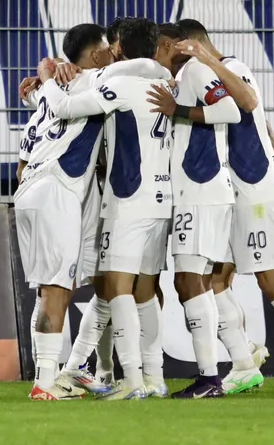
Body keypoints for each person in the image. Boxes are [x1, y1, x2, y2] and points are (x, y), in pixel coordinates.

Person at [153, 18, 274, 397]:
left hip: (255, 190)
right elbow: (260, 119)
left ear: (189, 45)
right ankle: (243, 365)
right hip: (235, 190)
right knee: (217, 279)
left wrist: (204, 65)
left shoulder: (229, 67)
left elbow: (247, 103)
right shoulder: (210, 76)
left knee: (271, 278)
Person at [14, 22, 164, 401]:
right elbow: (140, 68)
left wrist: (46, 77)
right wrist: (49, 74)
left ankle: (68, 370)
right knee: (58, 288)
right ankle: (46, 384)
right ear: (98, 54)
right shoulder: (95, 82)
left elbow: (38, 111)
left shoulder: (53, 93)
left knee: (56, 286)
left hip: (29, 187)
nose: (114, 52)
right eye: (108, 48)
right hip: (59, 188)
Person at [146, 23, 243, 399]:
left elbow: (231, 109)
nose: (153, 56)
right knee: (195, 282)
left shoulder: (197, 71)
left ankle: (210, 378)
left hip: (201, 192)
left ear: (169, 45)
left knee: (189, 282)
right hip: (198, 193)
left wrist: (179, 110)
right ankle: (210, 376)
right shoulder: (182, 76)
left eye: (156, 49)